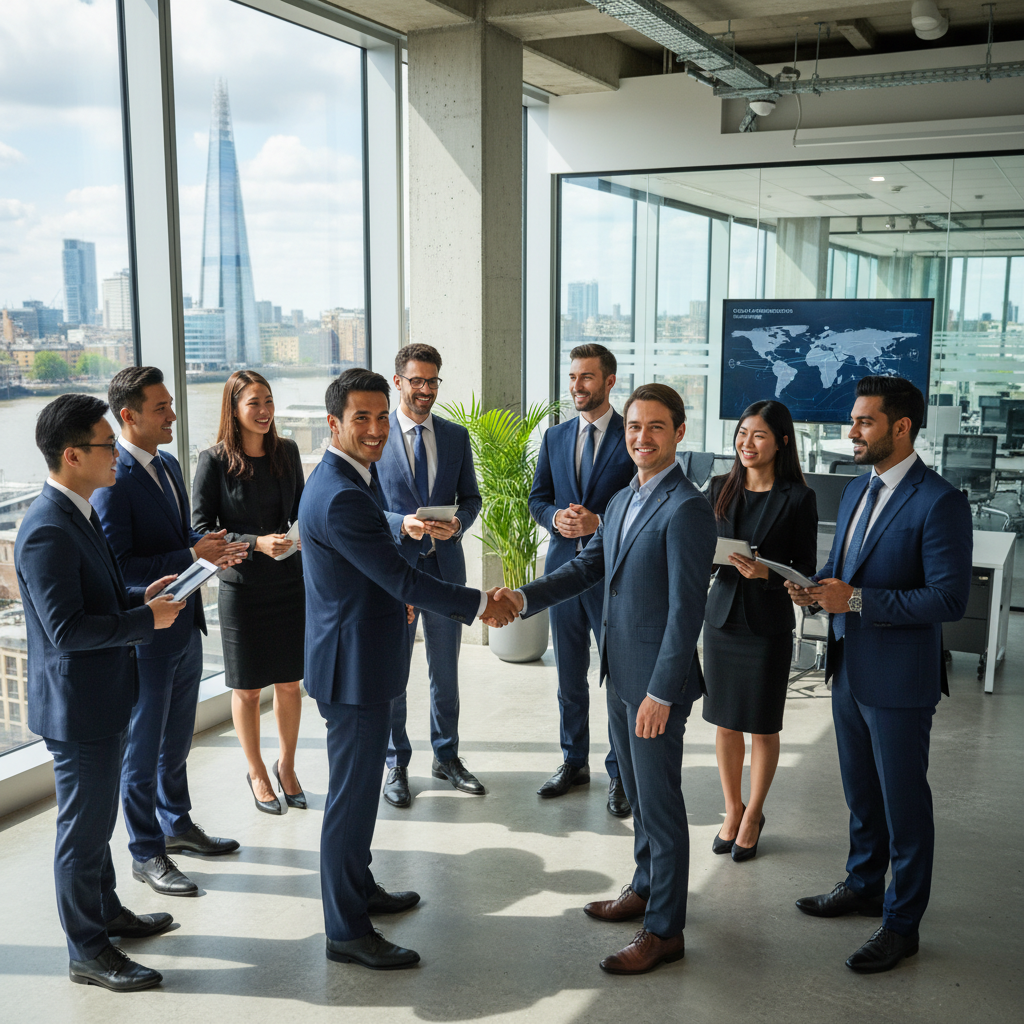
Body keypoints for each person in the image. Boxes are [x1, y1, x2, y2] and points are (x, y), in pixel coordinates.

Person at [299, 368, 517, 971]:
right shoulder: (342, 492)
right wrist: (479, 602)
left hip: (362, 656)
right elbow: (396, 577)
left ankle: (360, 887)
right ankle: (345, 929)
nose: (373, 430)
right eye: (359, 419)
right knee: (348, 801)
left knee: (363, 791)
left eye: (377, 417)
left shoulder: (351, 478)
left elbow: (387, 562)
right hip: (353, 667)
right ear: (334, 423)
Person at [499, 383, 717, 975]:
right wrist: (523, 596)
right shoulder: (623, 500)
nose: (641, 438)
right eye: (634, 428)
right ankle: (645, 888)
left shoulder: (688, 508)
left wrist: (661, 691)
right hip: (618, 673)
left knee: (662, 805)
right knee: (641, 803)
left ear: (678, 432)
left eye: (655, 428)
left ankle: (665, 930)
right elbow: (587, 567)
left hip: (653, 686)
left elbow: (684, 611)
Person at [787, 376, 972, 974]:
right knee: (861, 794)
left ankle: (901, 923)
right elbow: (845, 569)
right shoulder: (855, 492)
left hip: (899, 681)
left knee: (904, 805)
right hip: (849, 668)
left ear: (901, 428)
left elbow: (947, 600)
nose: (852, 432)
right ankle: (864, 884)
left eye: (865, 422)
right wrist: (813, 588)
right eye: (854, 421)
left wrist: (859, 601)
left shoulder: (939, 500)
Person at [15, 394, 185, 991]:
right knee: (82, 834)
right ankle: (88, 950)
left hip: (103, 695)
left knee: (95, 824)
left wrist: (142, 598)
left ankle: (108, 913)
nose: (117, 454)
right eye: (107, 445)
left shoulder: (78, 511)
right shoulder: (44, 529)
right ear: (71, 455)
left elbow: (92, 603)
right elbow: (66, 632)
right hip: (80, 708)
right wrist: (147, 623)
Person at [93, 367, 248, 898]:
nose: (173, 416)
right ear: (128, 416)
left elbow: (180, 534)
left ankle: (176, 825)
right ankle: (145, 851)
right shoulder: (113, 480)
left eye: (171, 405)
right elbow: (121, 569)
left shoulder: (169, 464)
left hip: (183, 628)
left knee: (176, 741)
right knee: (143, 748)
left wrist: (210, 549)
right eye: (162, 408)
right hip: (149, 638)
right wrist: (189, 554)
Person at [703, 400, 817, 862]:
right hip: (722, 619)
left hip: (767, 623)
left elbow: (805, 568)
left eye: (759, 436)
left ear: (782, 441)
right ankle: (733, 810)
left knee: (763, 727)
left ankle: (755, 815)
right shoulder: (718, 487)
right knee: (726, 723)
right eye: (742, 434)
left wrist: (767, 576)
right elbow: (699, 548)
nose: (747, 444)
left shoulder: (799, 498)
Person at [528, 343, 636, 817]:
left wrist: (599, 524)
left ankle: (620, 774)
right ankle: (574, 762)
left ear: (609, 382)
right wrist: (556, 520)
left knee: (614, 678)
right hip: (561, 572)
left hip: (612, 575)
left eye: (586, 377)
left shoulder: (630, 438)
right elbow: (538, 499)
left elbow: (640, 504)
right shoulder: (554, 438)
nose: (576, 386)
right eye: (572, 377)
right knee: (569, 675)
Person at [192, 371, 307, 815]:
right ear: (234, 409)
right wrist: (256, 543)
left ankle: (288, 767)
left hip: (288, 582)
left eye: (269, 401)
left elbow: (301, 511)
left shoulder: (288, 452)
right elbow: (201, 531)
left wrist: (291, 538)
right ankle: (257, 771)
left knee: (290, 684)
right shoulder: (214, 461)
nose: (264, 411)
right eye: (253, 403)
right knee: (246, 690)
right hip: (241, 589)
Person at [376, 343, 484, 807]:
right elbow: (362, 508)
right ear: (398, 381)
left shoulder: (456, 437)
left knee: (445, 671)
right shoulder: (374, 437)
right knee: (394, 672)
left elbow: (471, 499)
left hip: (444, 570)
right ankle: (395, 764)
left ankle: (447, 756)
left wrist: (458, 522)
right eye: (416, 380)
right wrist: (401, 523)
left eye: (433, 381)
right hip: (394, 570)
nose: (425, 390)